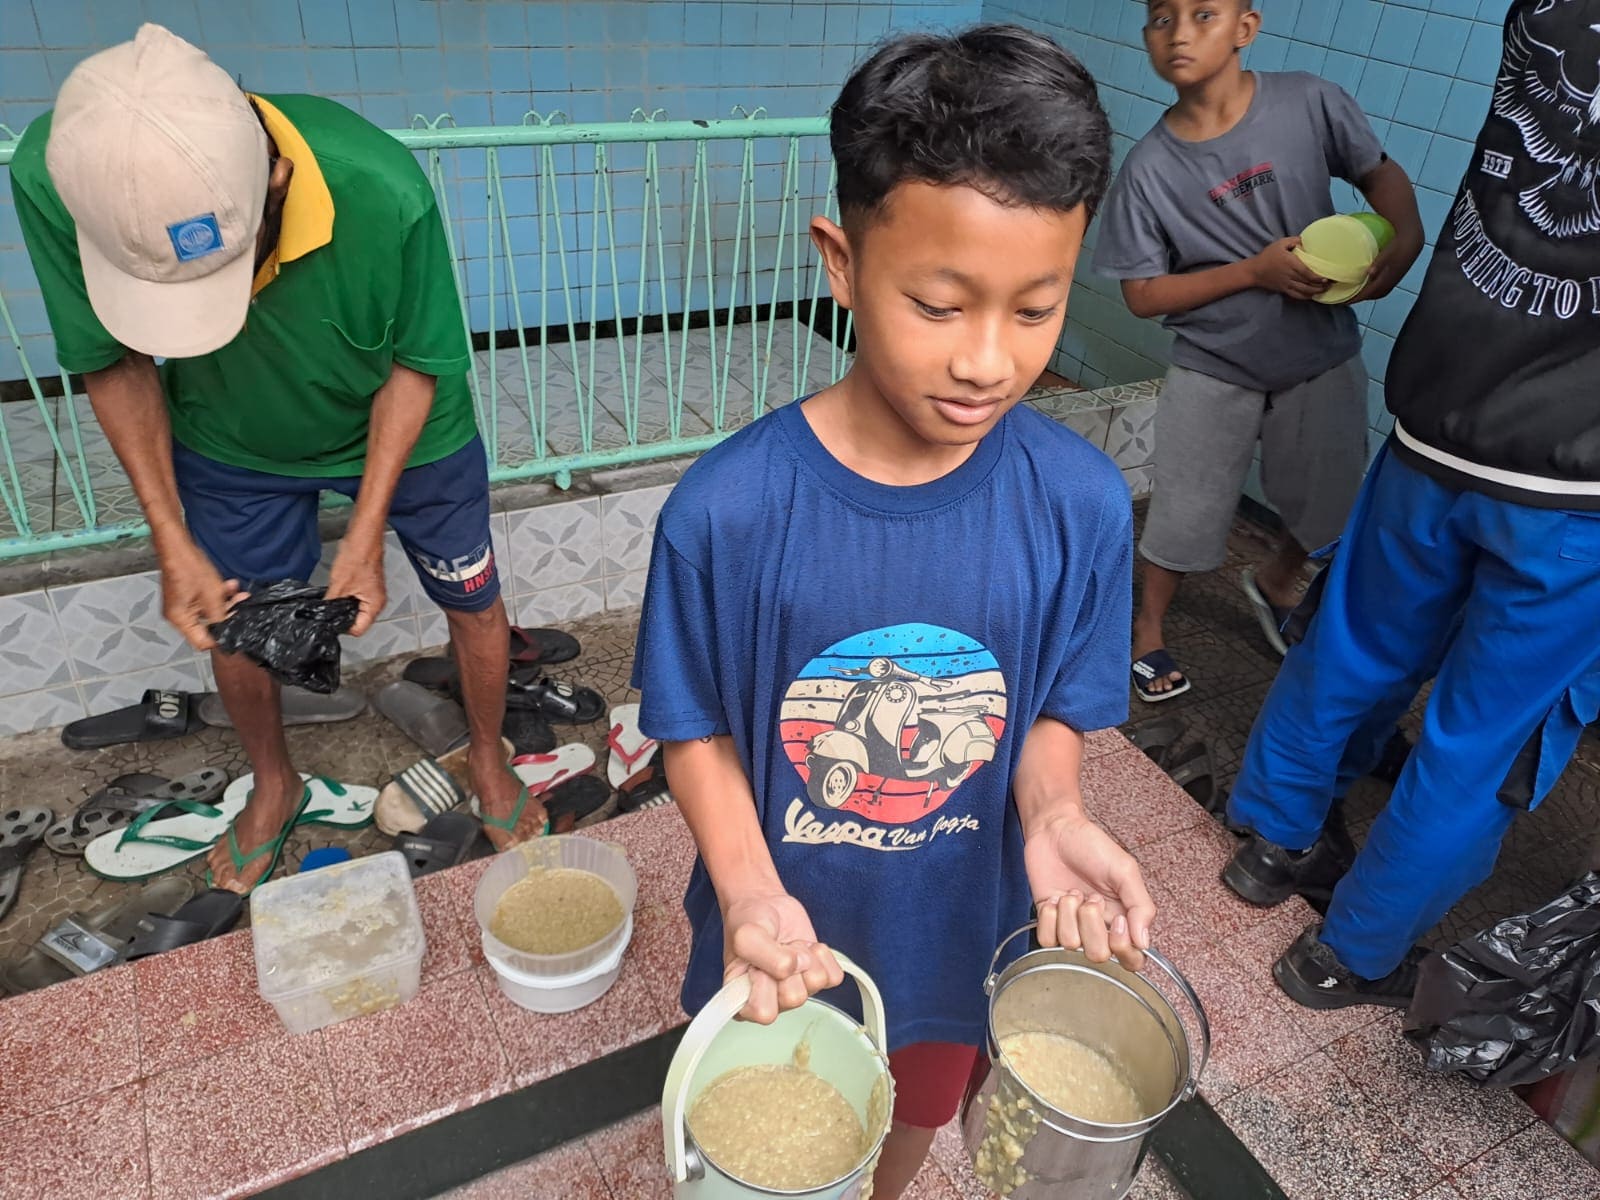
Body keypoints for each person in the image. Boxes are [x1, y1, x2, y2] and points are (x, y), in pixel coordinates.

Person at [633, 26, 1155, 1198]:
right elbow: (693, 727)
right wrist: (746, 885)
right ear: (841, 261)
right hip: (779, 936)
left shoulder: (1076, 504)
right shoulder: (728, 511)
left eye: (1035, 310)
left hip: (956, 931)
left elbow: (1052, 708)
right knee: (773, 1128)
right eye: (938, 303)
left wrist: (1055, 808)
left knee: (908, 1118)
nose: (987, 360)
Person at [10, 25, 543, 891]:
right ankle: (274, 784)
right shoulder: (65, 170)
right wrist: (169, 535)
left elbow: (417, 366)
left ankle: (487, 759)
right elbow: (111, 358)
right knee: (234, 617)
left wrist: (364, 534)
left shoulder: (381, 186)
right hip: (229, 434)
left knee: (473, 601)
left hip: (406, 423)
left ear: (277, 181)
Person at [1222, 0, 1600, 1010]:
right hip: (1576, 498)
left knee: (1351, 649)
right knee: (1483, 739)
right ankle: (1349, 952)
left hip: (1437, 417)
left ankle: (1270, 845)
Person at [1094, 0, 1423, 701]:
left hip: (1319, 353)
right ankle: (1147, 631)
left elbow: (1382, 175)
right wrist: (1253, 271)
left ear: (1246, 27)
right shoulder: (1150, 170)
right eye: (1161, 18)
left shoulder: (1308, 101)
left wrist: (1406, 234)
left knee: (1329, 505)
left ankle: (1276, 581)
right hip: (1215, 365)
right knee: (1184, 511)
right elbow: (1145, 295)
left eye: (1203, 13)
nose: (1179, 31)